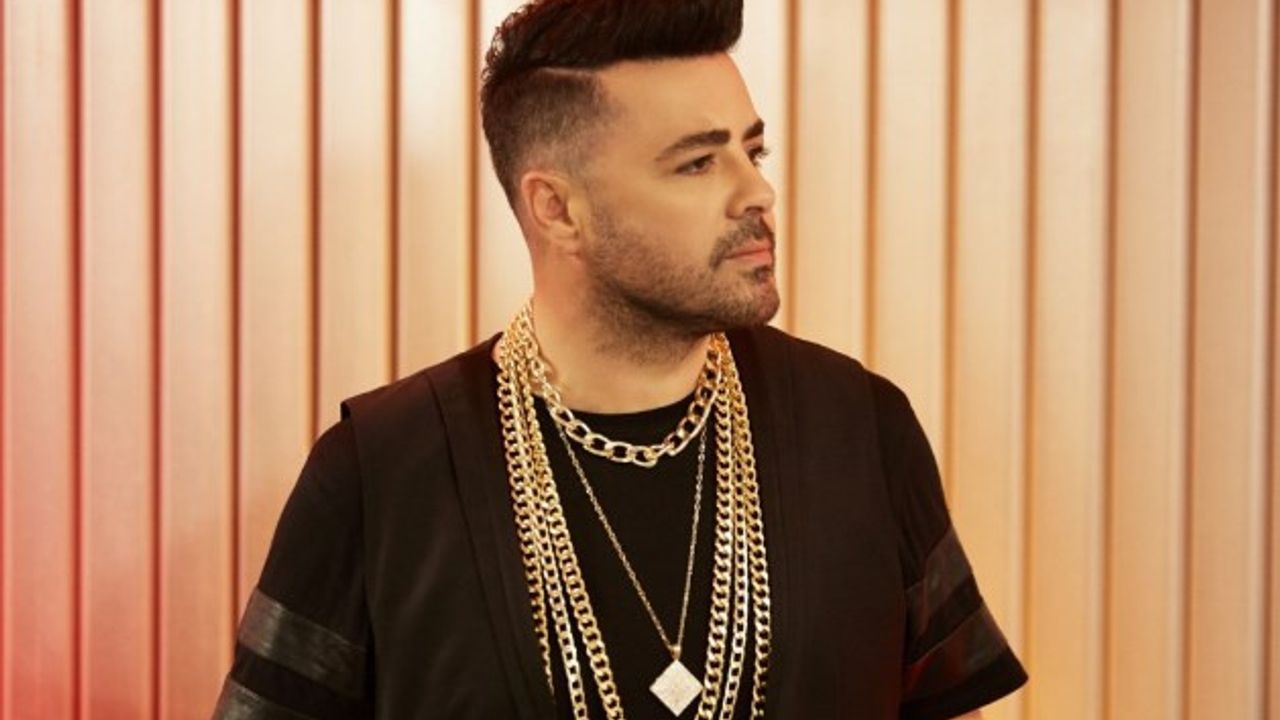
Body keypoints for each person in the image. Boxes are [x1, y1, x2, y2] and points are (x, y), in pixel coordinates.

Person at [212, 1, 1028, 718]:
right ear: (557, 210)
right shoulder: (382, 475)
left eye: (753, 152)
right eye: (698, 163)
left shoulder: (861, 432)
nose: (757, 193)